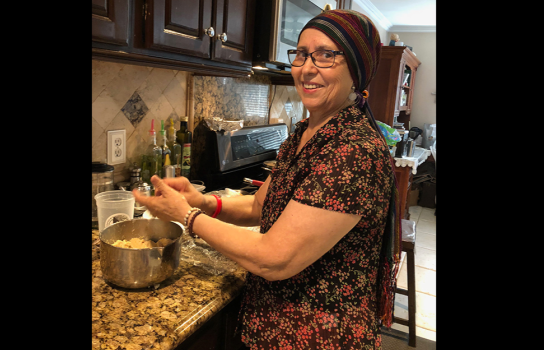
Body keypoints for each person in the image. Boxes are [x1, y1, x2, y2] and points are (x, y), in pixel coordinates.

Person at [133, 9, 402, 350]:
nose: (306, 68)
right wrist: (201, 201)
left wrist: (187, 217)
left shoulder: (353, 150)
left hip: (319, 337)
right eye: (302, 54)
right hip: (272, 327)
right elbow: (261, 206)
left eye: (326, 55)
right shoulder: (304, 133)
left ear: (357, 69)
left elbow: (275, 258)